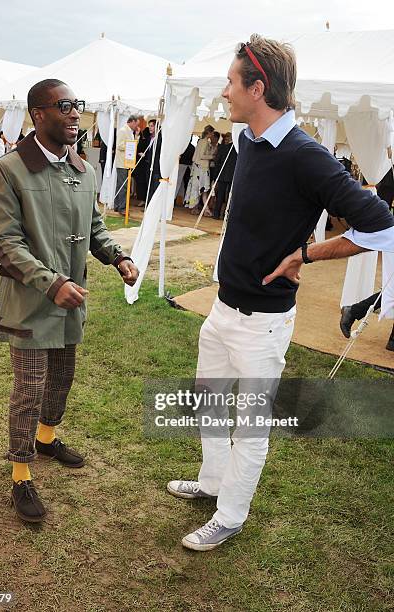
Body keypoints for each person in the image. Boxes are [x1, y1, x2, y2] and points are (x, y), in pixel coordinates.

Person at [166, 34, 394, 551]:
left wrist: (306, 255)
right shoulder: (248, 142)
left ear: (258, 87)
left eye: (230, 82)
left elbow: (382, 227)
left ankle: (231, 515)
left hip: (263, 323)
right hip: (223, 309)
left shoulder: (306, 155)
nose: (225, 92)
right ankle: (211, 483)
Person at [0, 79, 139, 524]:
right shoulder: (10, 169)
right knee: (29, 390)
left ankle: (47, 439)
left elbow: (94, 229)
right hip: (31, 304)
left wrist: (118, 256)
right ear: (38, 115)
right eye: (65, 106)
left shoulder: (83, 170)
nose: (76, 114)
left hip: (71, 302)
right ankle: (20, 472)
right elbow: (5, 242)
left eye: (78, 106)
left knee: (62, 379)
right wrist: (50, 283)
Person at [184, 125, 216, 210]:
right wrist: (212, 156)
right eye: (212, 132)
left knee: (198, 188)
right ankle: (201, 208)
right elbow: (201, 155)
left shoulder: (200, 141)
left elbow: (194, 157)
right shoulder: (205, 142)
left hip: (197, 167)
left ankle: (197, 207)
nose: (213, 134)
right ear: (209, 133)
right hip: (202, 168)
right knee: (202, 188)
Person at [114, 115, 140, 215]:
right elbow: (119, 146)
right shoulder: (122, 130)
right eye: (136, 124)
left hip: (127, 162)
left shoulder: (130, 132)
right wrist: (130, 146)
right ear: (132, 122)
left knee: (120, 185)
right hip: (122, 163)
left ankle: (117, 206)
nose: (136, 126)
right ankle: (122, 208)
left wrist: (137, 136)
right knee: (123, 186)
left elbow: (133, 145)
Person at [212, 132, 237, 219]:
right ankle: (226, 215)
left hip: (222, 174)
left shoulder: (223, 148)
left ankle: (216, 214)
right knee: (230, 196)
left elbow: (217, 161)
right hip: (232, 175)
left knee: (220, 195)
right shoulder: (237, 150)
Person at [144, 119, 162, 202]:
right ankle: (148, 205)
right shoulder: (149, 138)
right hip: (148, 166)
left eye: (152, 126)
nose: (150, 128)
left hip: (156, 167)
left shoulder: (160, 138)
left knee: (155, 186)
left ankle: (153, 206)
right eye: (149, 126)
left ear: (157, 127)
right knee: (149, 186)